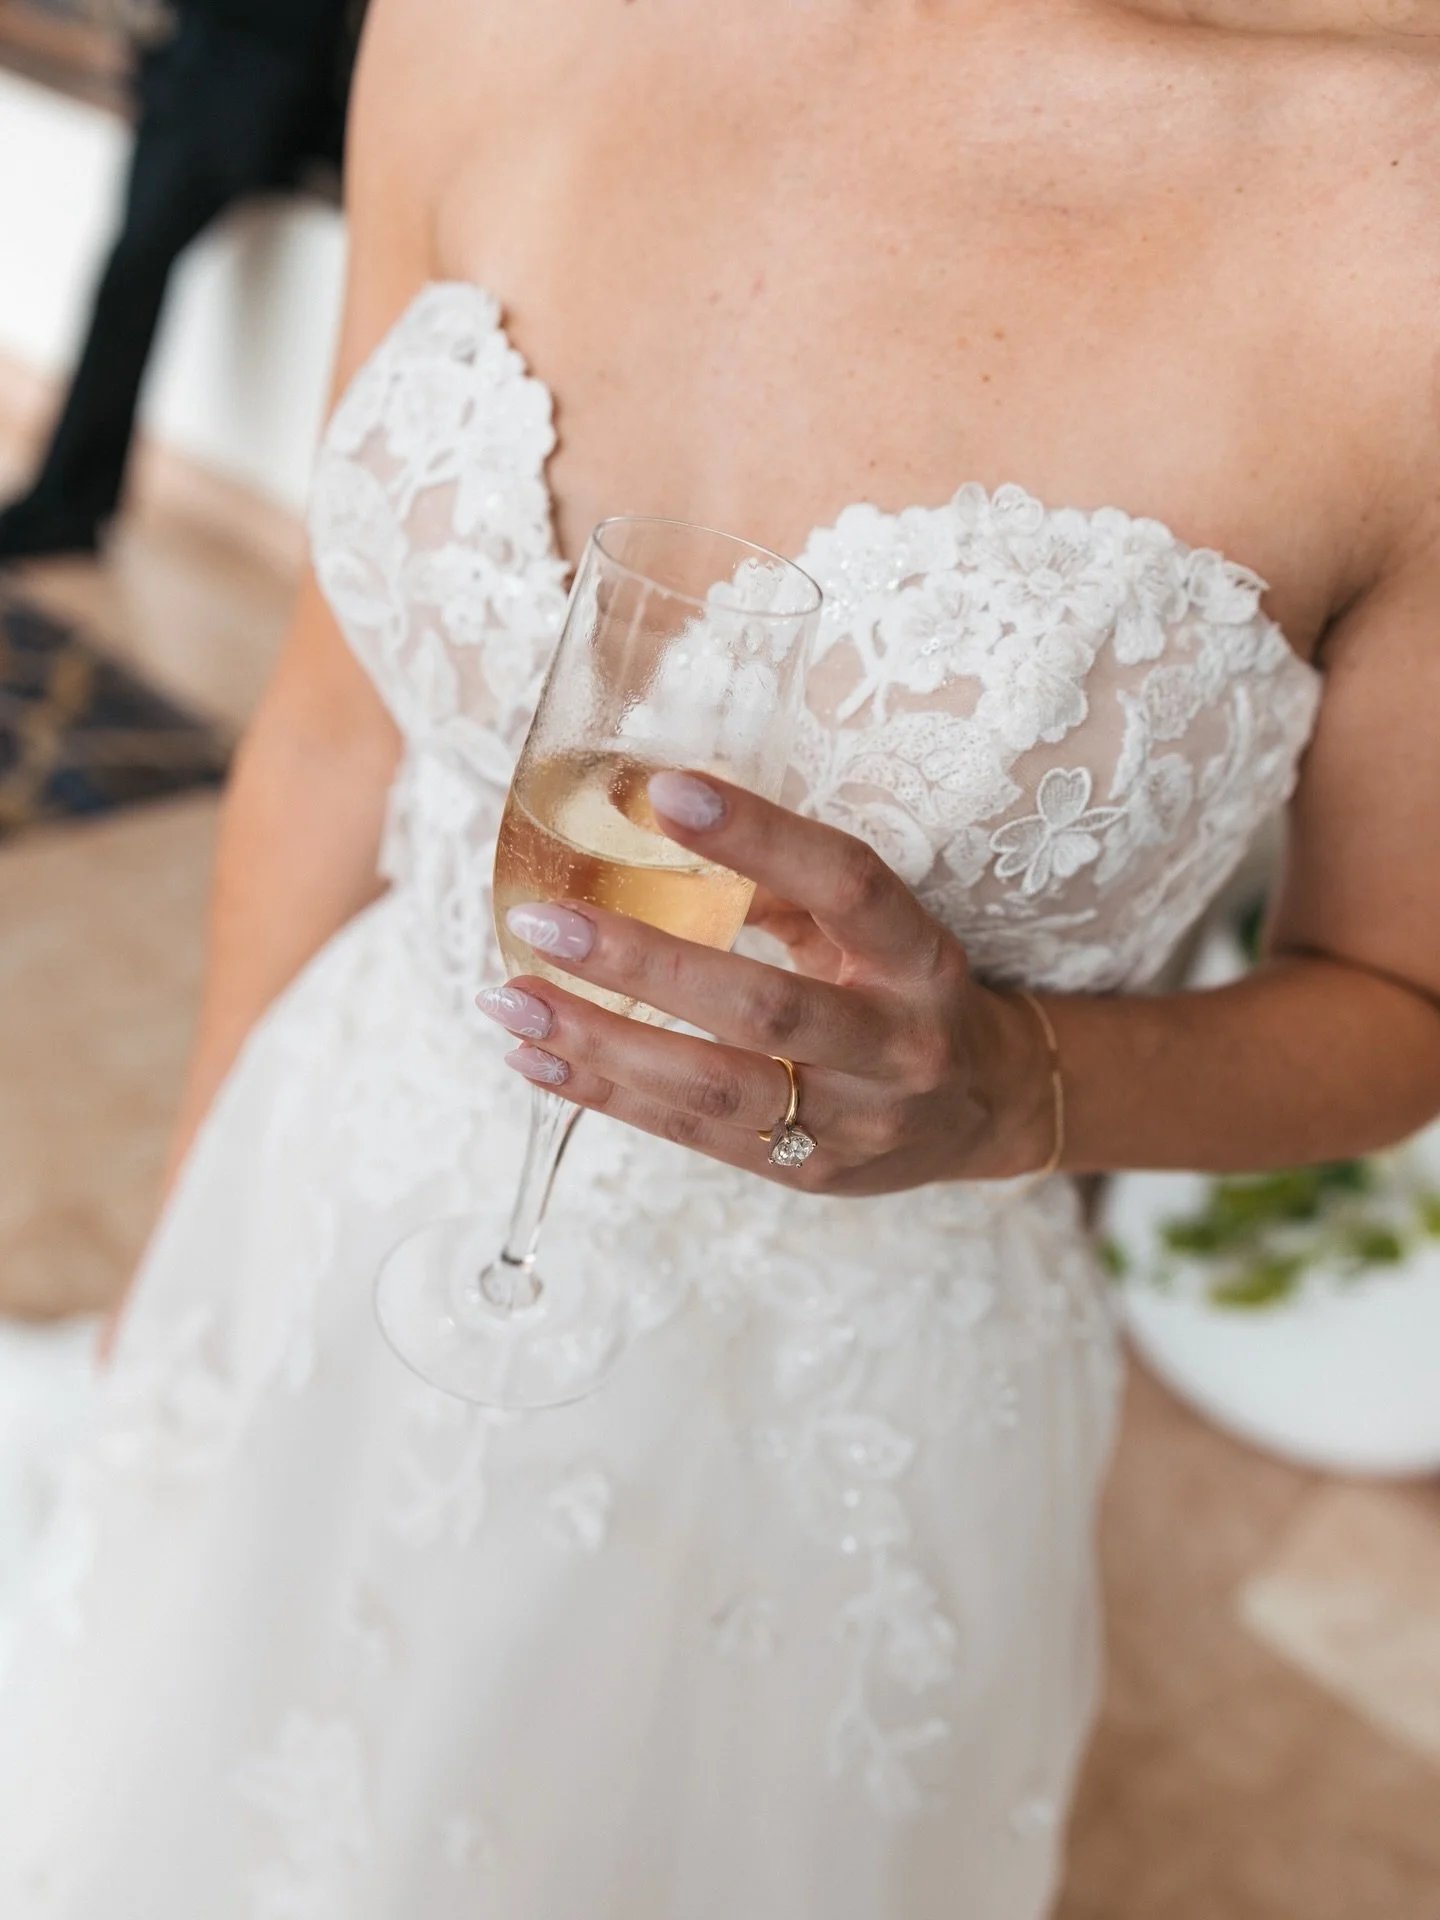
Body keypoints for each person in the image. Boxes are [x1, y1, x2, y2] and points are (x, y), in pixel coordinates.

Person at [2, 0, 1438, 1913]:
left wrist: (1022, 1088)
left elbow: (1402, 1003)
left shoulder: (1399, 203)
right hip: (341, 1192)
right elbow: (337, 731)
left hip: (821, 1406)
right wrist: (198, 1249)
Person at [0, 0, 358, 564]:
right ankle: (70, 498)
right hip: (190, 74)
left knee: (129, 279)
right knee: (125, 278)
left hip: (243, 90)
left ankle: (68, 503)